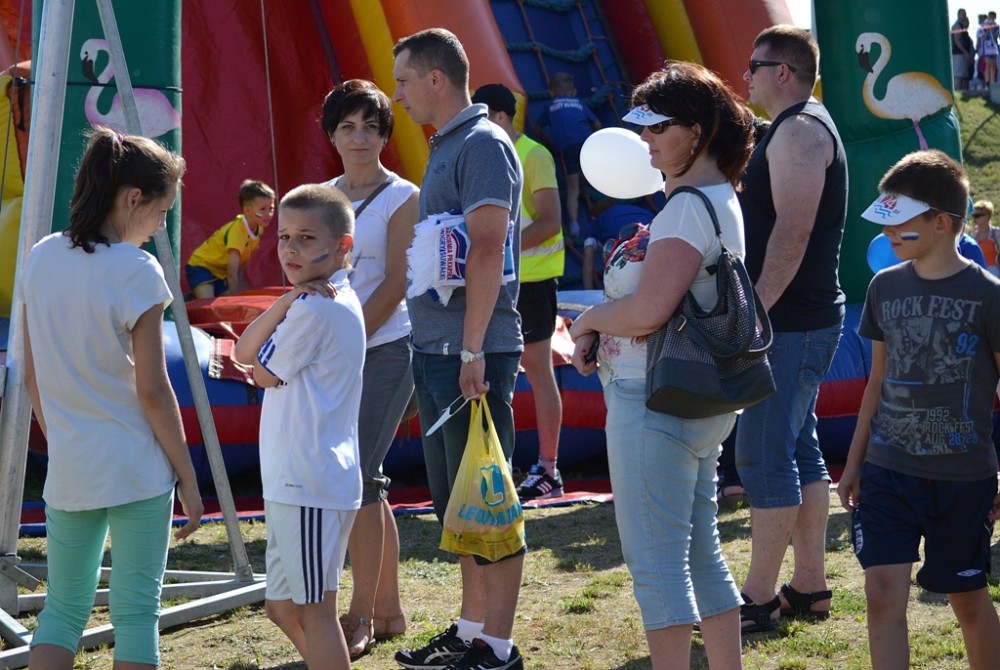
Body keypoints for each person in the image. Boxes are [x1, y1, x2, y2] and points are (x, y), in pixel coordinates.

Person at [569, 61, 754, 670]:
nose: (643, 140)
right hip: (697, 400)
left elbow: (648, 311)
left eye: (656, 127)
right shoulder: (719, 197)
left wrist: (590, 319)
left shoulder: (686, 208)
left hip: (655, 400)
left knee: (657, 566)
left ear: (696, 132)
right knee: (701, 552)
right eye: (641, 126)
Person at [20, 129, 203, 669]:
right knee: (137, 614)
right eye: (162, 212)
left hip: (71, 467)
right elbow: (153, 389)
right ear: (133, 199)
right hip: (136, 468)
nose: (161, 226)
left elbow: (31, 374)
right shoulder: (136, 270)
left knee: (61, 611)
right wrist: (188, 477)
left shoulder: (41, 256)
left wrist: (64, 442)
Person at [392, 28, 526, 670]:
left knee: (488, 502)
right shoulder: (450, 143)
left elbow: (488, 247)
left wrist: (473, 351)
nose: (398, 95)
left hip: (472, 352)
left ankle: (498, 647)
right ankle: (472, 631)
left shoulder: (483, 143)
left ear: (436, 79)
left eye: (403, 81)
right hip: (441, 349)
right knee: (458, 507)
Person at [838, 150, 1000, 670]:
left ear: (941, 223)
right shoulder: (884, 287)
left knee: (967, 599)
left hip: (962, 477)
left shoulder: (989, 295)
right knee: (882, 591)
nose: (888, 232)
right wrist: (855, 463)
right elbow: (876, 383)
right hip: (888, 470)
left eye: (899, 221)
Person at [735, 25, 847, 633]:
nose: (745, 75)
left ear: (782, 72)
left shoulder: (799, 130)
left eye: (754, 65)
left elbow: (794, 230)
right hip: (798, 320)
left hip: (790, 322)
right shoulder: (796, 126)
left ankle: (756, 599)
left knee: (763, 455)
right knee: (799, 450)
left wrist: (754, 313)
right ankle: (808, 586)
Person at [233, 183, 365, 670]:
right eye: (285, 236)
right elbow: (245, 354)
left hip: (309, 481)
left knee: (315, 612)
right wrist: (286, 300)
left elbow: (257, 368)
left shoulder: (319, 307)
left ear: (343, 245)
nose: (290, 248)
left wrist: (294, 304)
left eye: (307, 238)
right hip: (296, 482)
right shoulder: (313, 301)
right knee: (282, 607)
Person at [318, 78, 419, 657]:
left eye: (372, 127)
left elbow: (399, 282)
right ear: (331, 134)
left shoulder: (403, 196)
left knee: (358, 478)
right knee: (366, 481)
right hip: (332, 353)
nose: (360, 137)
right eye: (348, 126)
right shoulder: (320, 194)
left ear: (385, 134)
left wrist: (349, 338)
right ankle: (388, 609)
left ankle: (359, 616)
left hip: (386, 348)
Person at [471, 82, 566, 501]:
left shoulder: (533, 154)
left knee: (538, 370)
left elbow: (550, 221)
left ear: (501, 117)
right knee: (492, 371)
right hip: (496, 279)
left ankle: (548, 468)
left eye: (481, 118)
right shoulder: (483, 156)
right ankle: (499, 465)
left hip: (532, 282)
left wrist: (498, 246)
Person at [531, 71, 601, 240]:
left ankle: (574, 224)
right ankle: (600, 198)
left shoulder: (549, 105)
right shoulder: (579, 103)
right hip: (586, 142)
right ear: (574, 92)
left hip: (566, 147)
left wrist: (549, 142)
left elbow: (536, 130)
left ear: (551, 93)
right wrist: (596, 141)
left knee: (572, 188)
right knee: (593, 174)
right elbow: (597, 124)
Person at [185, 179, 275, 298]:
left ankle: (200, 293)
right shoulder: (237, 232)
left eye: (271, 208)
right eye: (263, 209)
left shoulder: (258, 229)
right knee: (207, 303)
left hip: (220, 274)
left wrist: (240, 287)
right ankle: (192, 297)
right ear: (247, 211)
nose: (268, 214)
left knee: (225, 300)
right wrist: (236, 297)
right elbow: (232, 272)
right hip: (202, 267)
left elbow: (242, 263)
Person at [579, 201, 655, 290]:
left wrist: (588, 291)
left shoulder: (594, 223)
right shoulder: (634, 209)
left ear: (593, 217)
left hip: (625, 247)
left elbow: (588, 258)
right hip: (652, 230)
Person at [971, 199, 1000, 275]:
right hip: (978, 272)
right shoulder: (973, 236)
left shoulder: (996, 233)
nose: (974, 218)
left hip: (994, 272)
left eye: (977, 215)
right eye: (973, 215)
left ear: (987, 216)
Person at [953, 8, 975, 92]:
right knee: (959, 76)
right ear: (958, 15)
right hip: (958, 54)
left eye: (965, 14)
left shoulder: (963, 28)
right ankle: (957, 92)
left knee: (964, 76)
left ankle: (963, 92)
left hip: (964, 55)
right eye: (963, 14)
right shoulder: (957, 26)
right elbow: (957, 41)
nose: (965, 16)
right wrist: (965, 52)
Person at [977, 12, 999, 86]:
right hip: (986, 49)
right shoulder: (983, 26)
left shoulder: (996, 26)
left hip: (993, 49)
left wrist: (993, 29)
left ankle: (992, 83)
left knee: (993, 67)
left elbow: (997, 36)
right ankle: (987, 83)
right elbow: (983, 37)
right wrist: (988, 29)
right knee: (987, 66)